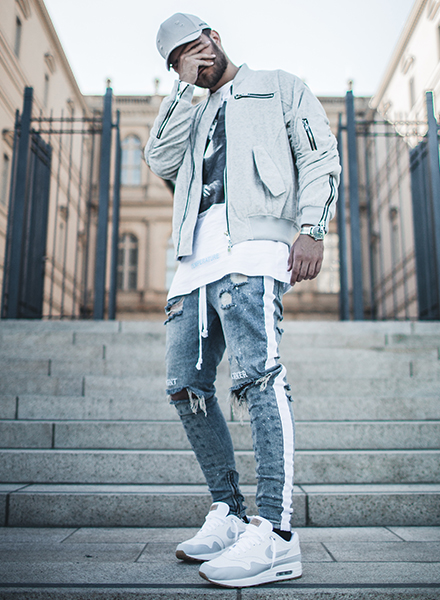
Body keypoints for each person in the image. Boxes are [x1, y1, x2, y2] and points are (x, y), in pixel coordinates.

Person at [145, 12, 340, 588]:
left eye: (195, 46)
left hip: (254, 250)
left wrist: (313, 228)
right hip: (192, 261)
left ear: (214, 37)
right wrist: (181, 91)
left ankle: (276, 532)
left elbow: (320, 158)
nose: (193, 59)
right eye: (178, 59)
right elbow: (159, 161)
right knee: (185, 386)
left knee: (259, 378)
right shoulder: (190, 108)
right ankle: (229, 512)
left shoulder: (280, 86)